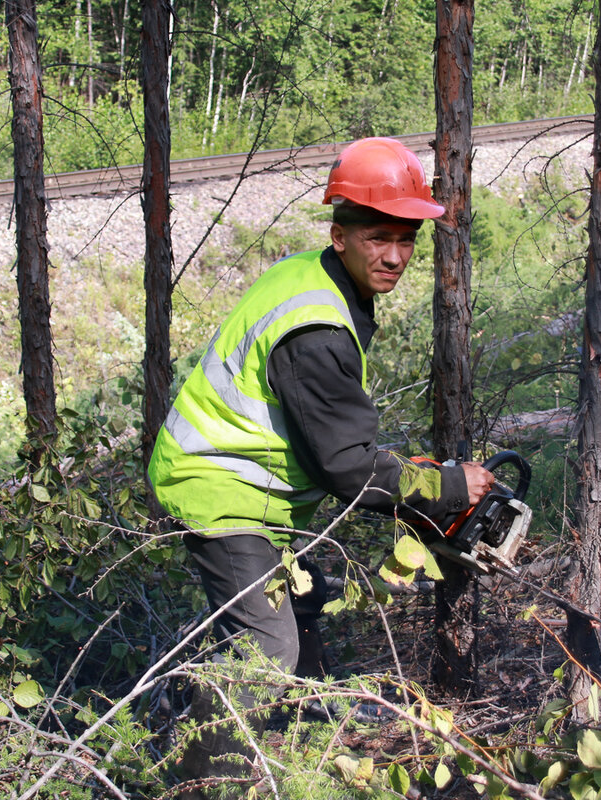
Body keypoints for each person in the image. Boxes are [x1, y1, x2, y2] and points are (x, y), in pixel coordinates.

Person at [148, 136, 496, 790]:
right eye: (378, 239)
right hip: (218, 488)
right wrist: (448, 486)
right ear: (341, 235)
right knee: (265, 649)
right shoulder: (317, 329)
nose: (395, 256)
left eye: (407, 240)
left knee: (305, 609)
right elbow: (349, 472)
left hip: (254, 489)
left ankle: (298, 747)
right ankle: (206, 783)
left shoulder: (321, 280)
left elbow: (332, 435)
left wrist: (410, 477)